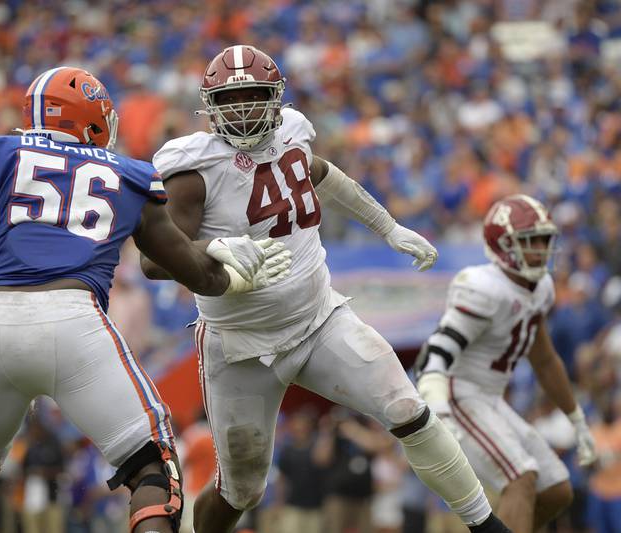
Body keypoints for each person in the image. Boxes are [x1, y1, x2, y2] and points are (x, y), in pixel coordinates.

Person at [0, 66, 292, 533]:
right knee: (151, 466)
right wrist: (229, 271)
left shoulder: (3, 153)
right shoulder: (128, 174)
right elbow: (194, 275)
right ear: (92, 119)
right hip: (75, 324)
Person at [141, 45, 510, 533]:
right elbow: (152, 261)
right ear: (209, 105)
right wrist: (214, 247)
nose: (246, 109)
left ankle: (486, 526)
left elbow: (325, 177)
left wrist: (389, 227)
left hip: (319, 320)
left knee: (408, 409)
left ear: (276, 98)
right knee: (242, 491)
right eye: (233, 99)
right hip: (240, 346)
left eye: (254, 95)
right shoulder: (193, 167)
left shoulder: (292, 132)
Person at [415, 194, 598, 533]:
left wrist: (576, 417)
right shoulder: (483, 287)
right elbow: (435, 353)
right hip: (458, 395)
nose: (542, 248)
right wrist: (438, 409)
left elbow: (544, 360)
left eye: (545, 239)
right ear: (503, 246)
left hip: (491, 398)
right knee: (521, 478)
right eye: (531, 241)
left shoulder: (541, 287)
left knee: (557, 489)